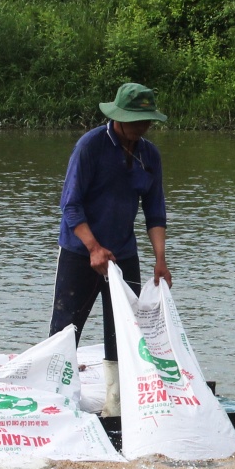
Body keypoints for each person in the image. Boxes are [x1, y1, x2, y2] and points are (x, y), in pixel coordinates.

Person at [50, 82, 171, 408]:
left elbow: (155, 210)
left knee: (124, 333)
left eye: (147, 121)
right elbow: (71, 205)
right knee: (66, 329)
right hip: (80, 251)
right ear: (118, 117)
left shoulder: (149, 155)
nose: (142, 127)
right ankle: (55, 401)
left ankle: (116, 406)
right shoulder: (91, 146)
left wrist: (160, 259)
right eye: (136, 120)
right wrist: (93, 248)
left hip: (123, 254)